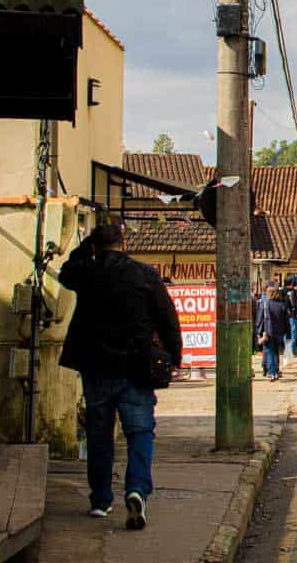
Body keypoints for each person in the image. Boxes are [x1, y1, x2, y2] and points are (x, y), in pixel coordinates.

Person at [58, 222, 182, 531]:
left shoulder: (87, 272)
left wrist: (87, 247)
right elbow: (167, 316)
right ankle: (137, 489)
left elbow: (65, 271)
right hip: (136, 367)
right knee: (140, 432)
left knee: (99, 433)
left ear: (95, 247)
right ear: (124, 244)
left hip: (96, 366)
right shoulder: (144, 274)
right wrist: (175, 355)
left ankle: (101, 500)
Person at [256, 286, 288, 381]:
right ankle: (276, 371)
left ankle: (272, 372)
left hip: (268, 331)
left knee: (270, 352)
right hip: (280, 332)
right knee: (276, 351)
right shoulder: (282, 304)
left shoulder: (266, 304)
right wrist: (288, 332)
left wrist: (258, 331)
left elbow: (260, 318)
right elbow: (286, 320)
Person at [280, 275, 297, 363]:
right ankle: (290, 351)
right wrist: (296, 312)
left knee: (285, 333)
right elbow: (294, 304)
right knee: (292, 332)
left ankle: (286, 350)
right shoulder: (292, 292)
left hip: (283, 315)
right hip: (291, 315)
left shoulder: (281, 291)